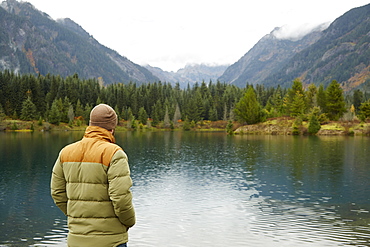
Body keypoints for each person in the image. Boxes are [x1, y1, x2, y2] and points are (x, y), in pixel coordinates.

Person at [51, 104, 135, 247]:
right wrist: (129, 221)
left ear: (90, 124)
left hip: (76, 239)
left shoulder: (65, 152)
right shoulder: (114, 153)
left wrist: (77, 217)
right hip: (111, 241)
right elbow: (121, 197)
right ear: (112, 128)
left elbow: (57, 193)